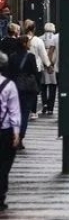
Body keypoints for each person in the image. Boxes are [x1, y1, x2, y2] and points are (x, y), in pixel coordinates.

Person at [0, 52, 21, 212]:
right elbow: (14, 111)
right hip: (5, 130)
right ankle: (1, 196)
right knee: (4, 165)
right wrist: (16, 132)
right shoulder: (9, 85)